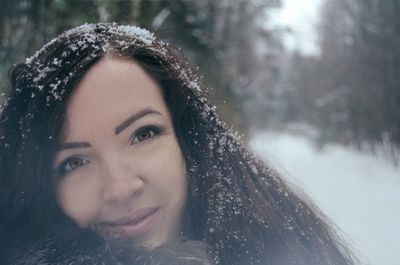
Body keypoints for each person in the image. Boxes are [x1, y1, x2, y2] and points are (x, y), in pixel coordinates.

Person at [0, 23, 358, 265]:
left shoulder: (290, 247)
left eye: (143, 134)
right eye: (74, 162)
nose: (121, 188)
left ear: (187, 139)